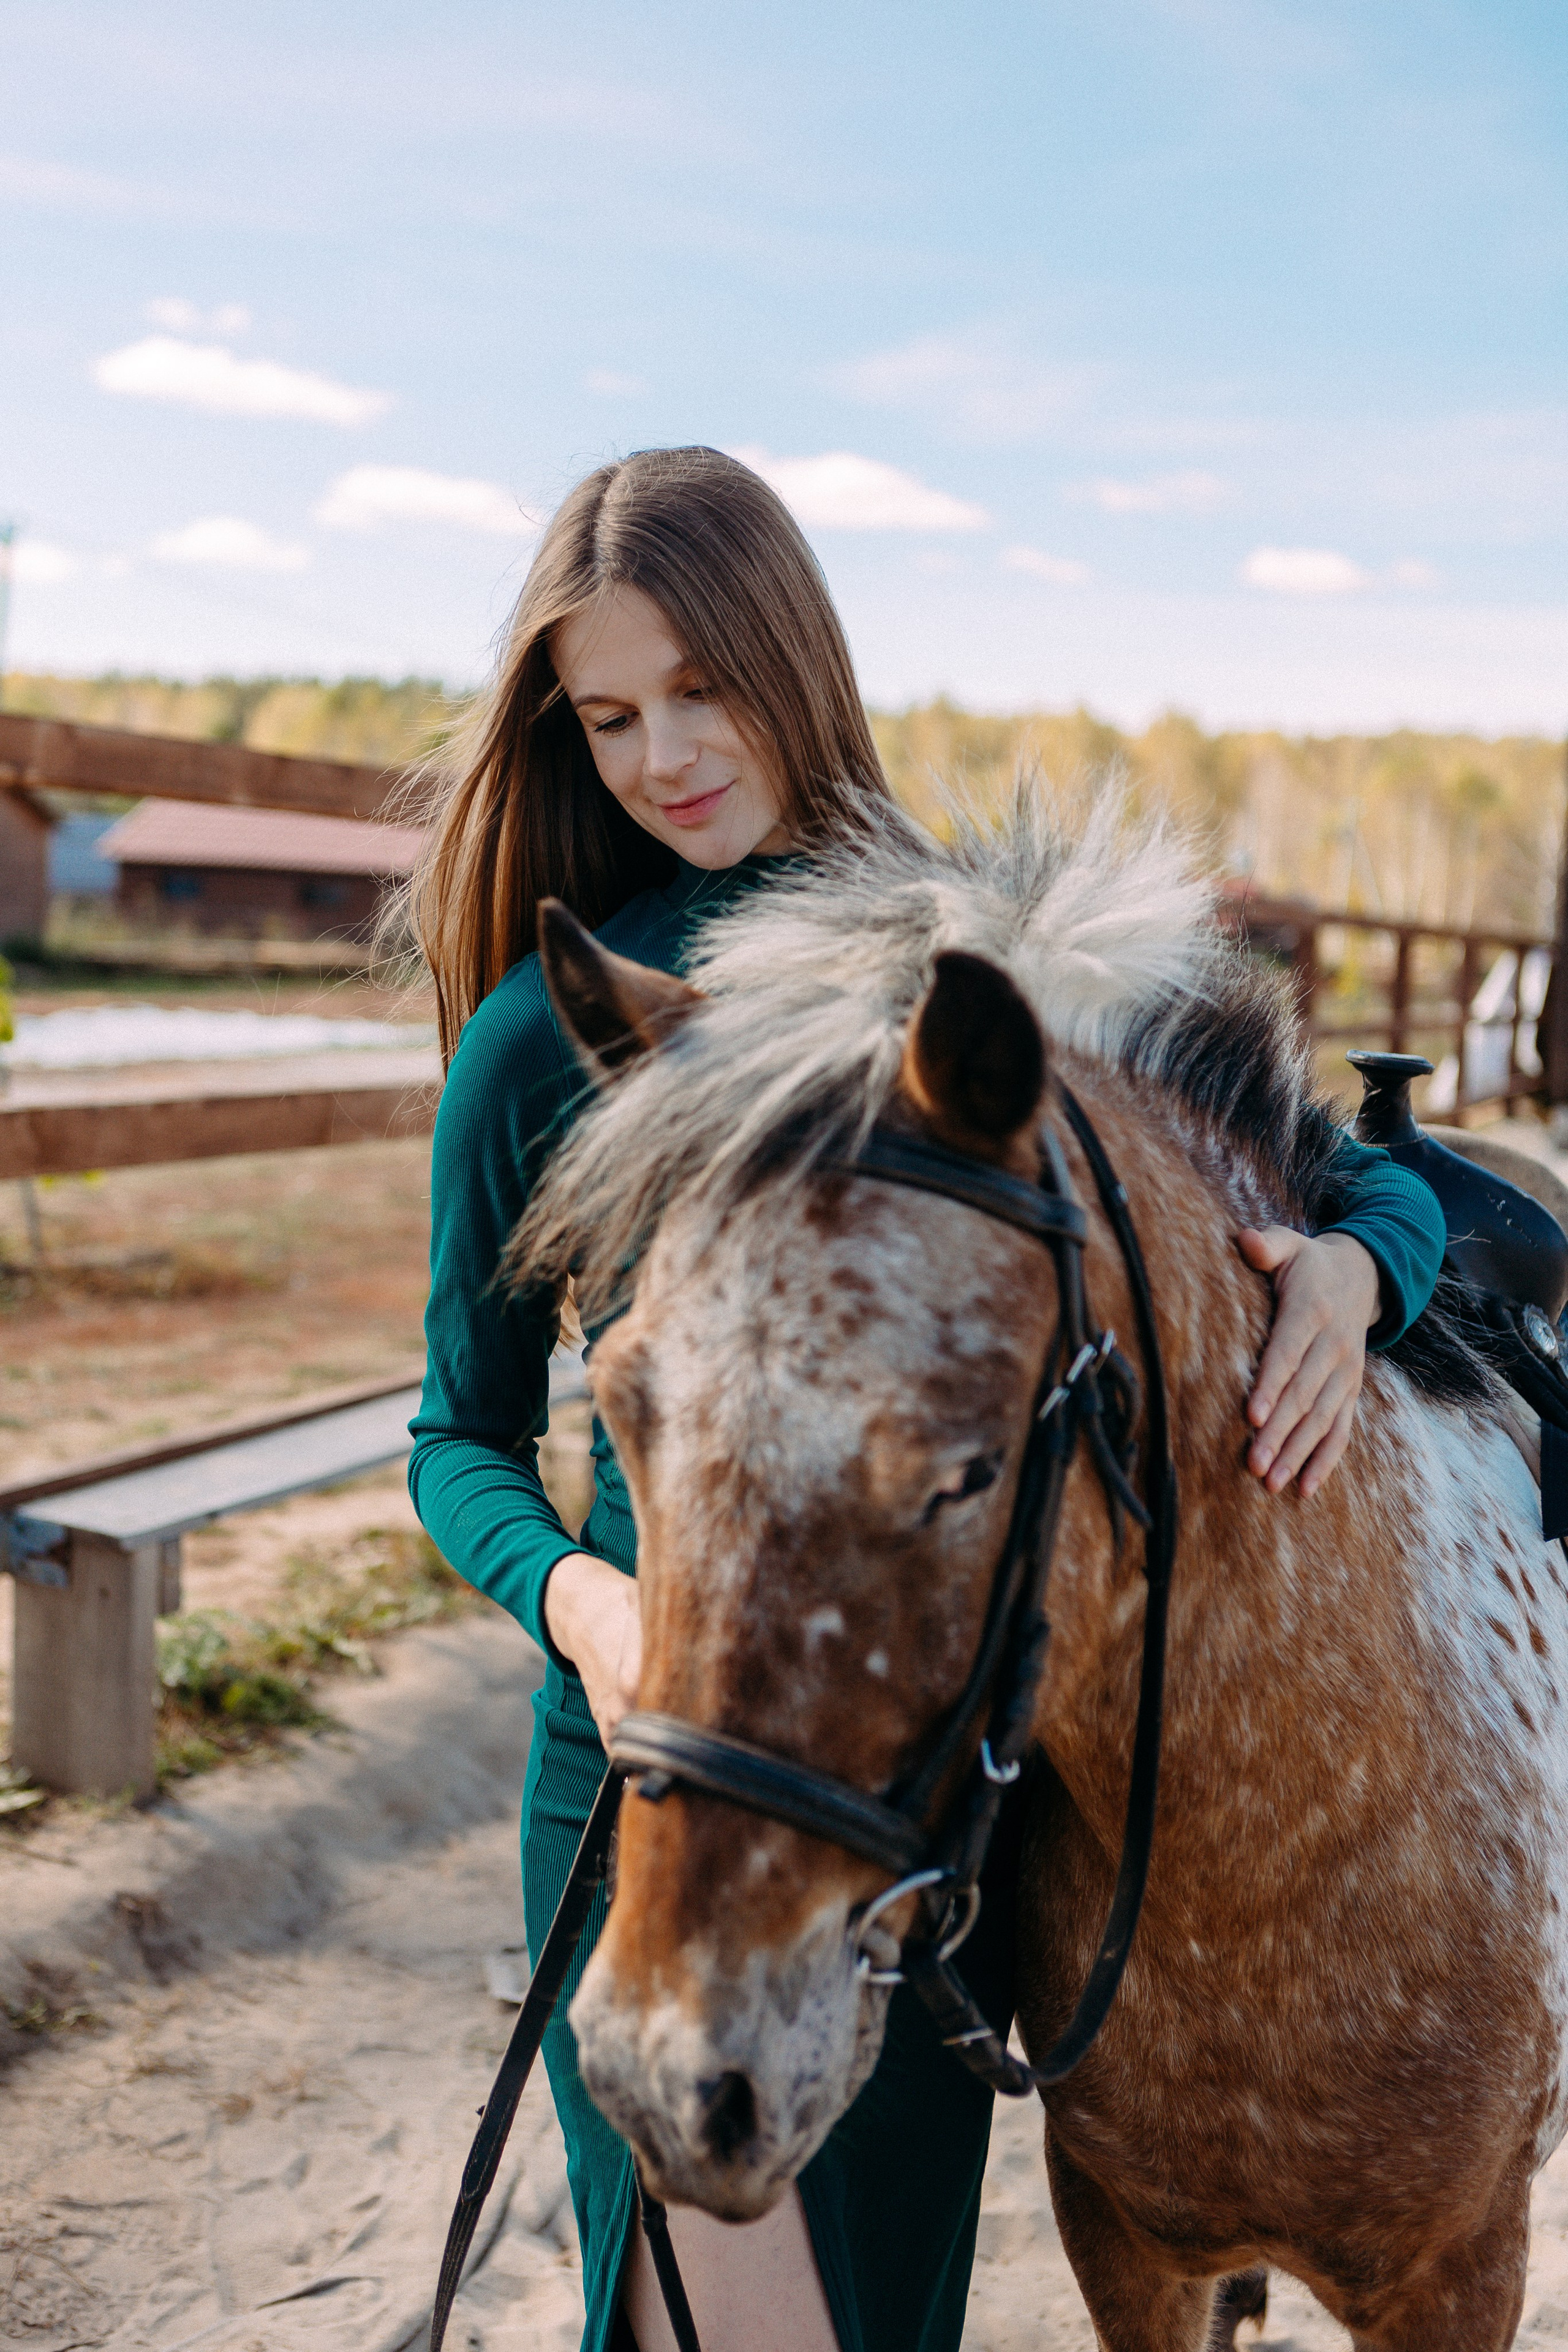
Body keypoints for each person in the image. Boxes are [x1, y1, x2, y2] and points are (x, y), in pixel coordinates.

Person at [406, 445, 1446, 2352]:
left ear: (792, 653)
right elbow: (457, 1439)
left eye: (703, 686)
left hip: (932, 1795)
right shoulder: (545, 1041)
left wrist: (1365, 1270)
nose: (663, 757)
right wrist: (587, 1601)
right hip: (660, 1766)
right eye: (611, 714)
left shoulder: (988, 964)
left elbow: (1326, 1156)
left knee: (879, 2322)